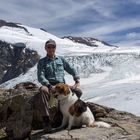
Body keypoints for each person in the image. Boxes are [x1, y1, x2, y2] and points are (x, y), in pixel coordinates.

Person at [37, 39, 82, 133]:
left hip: (62, 86)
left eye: (53, 46)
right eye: (48, 47)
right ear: (45, 48)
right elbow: (40, 76)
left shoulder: (61, 59)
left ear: (55, 48)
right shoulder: (42, 62)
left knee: (78, 92)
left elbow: (71, 68)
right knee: (43, 90)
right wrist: (49, 86)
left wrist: (77, 80)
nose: (51, 49)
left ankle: (71, 115)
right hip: (49, 85)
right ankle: (46, 121)